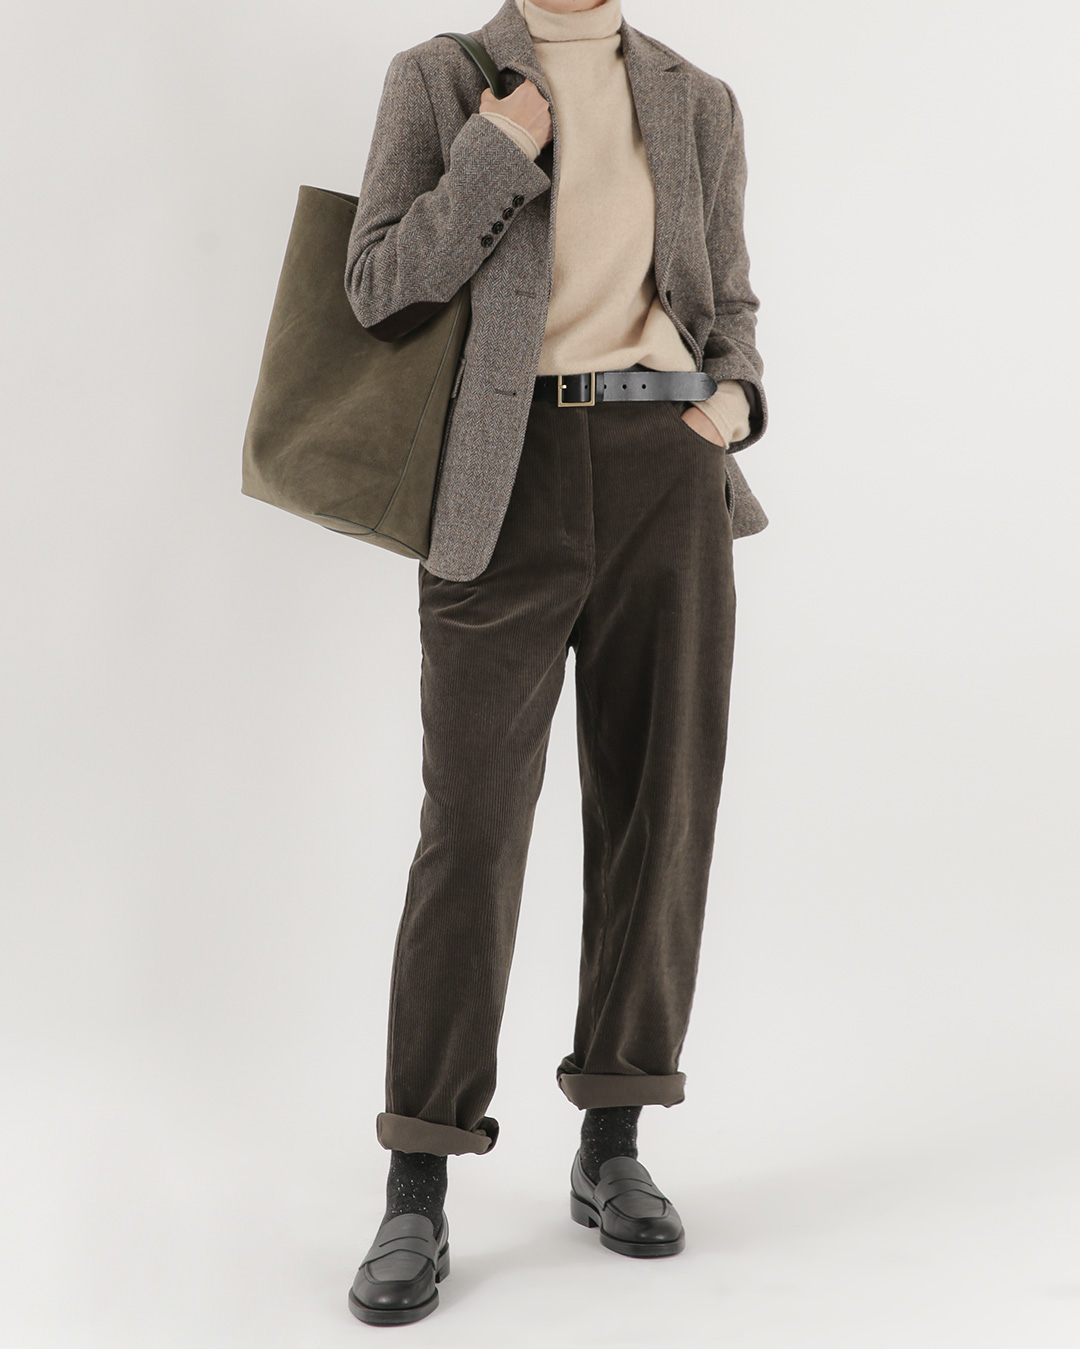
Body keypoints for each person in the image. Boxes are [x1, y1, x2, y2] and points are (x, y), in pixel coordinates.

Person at [342, 0, 769, 1325]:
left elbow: (730, 302)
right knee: (470, 827)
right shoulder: (439, 80)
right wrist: (492, 154)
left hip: (666, 474)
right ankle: (419, 1177)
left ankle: (613, 1141)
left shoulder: (698, 100)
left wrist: (736, 399)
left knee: (656, 807)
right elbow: (376, 287)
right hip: (500, 482)